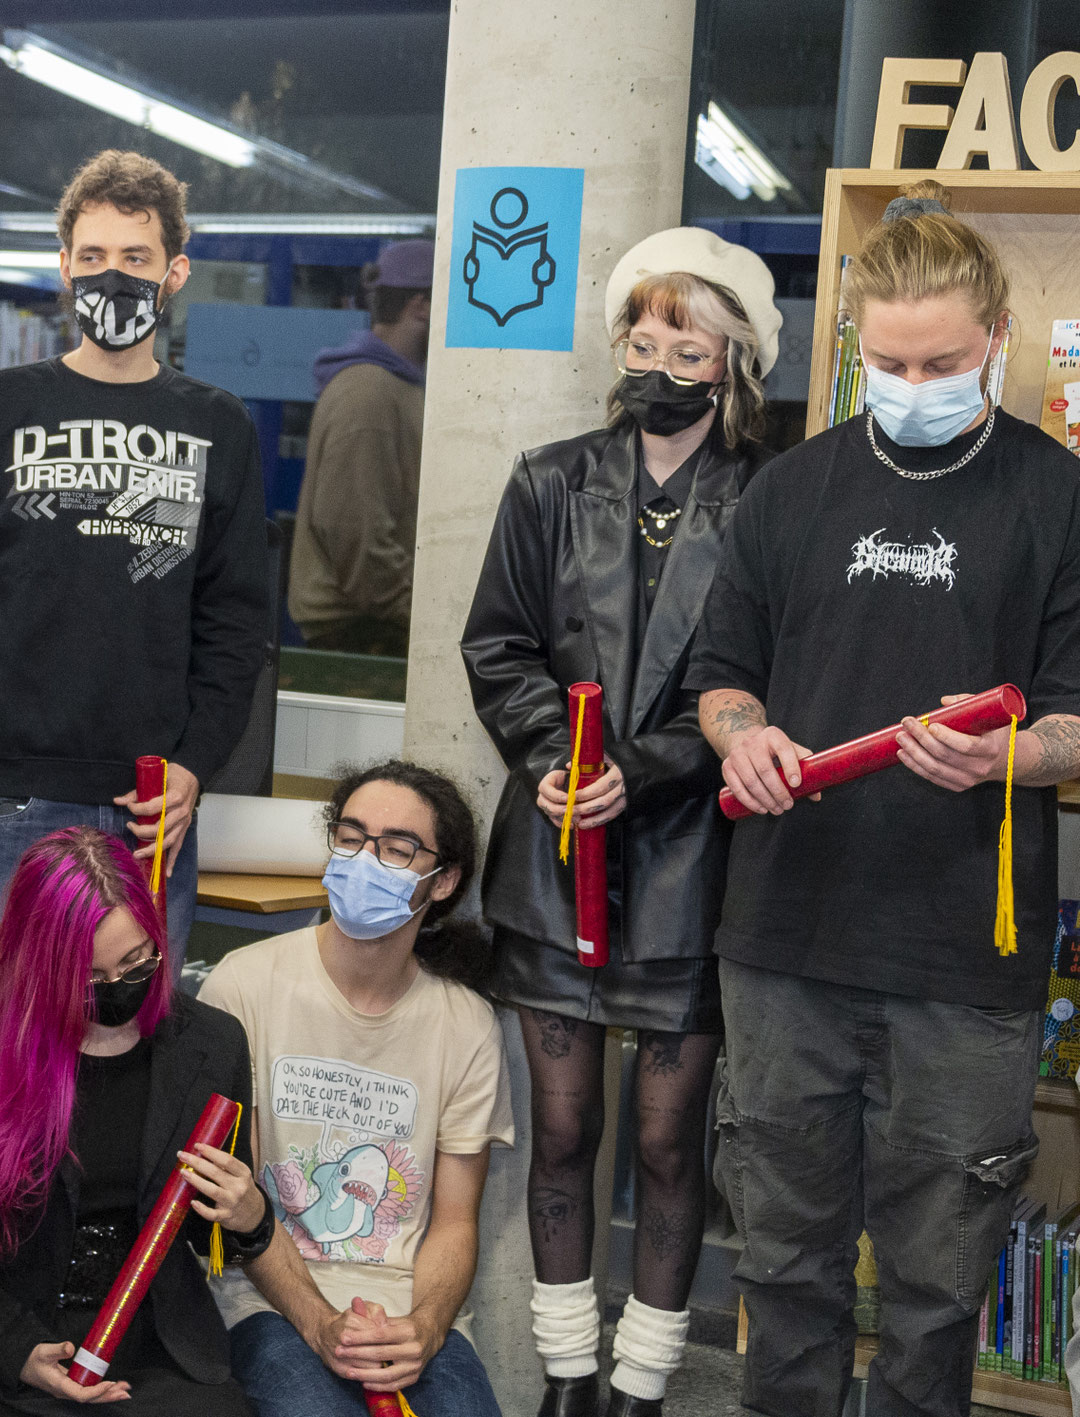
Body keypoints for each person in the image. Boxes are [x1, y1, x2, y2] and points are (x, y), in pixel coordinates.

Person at [688, 179, 1080, 1417]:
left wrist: (1005, 757)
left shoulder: (1055, 496)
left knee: (932, 1287)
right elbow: (718, 675)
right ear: (854, 342)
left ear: (995, 344)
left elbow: (1073, 718)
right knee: (783, 1270)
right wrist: (739, 738)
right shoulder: (790, 489)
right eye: (889, 358)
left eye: (943, 360)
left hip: (964, 964)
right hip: (782, 946)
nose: (913, 381)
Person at [461, 228, 780, 1417]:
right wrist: (554, 757)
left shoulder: (764, 497)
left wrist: (632, 771)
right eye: (638, 339)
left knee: (662, 1144)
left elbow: (758, 679)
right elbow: (493, 642)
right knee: (557, 1133)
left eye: (682, 344)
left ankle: (642, 1387)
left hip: (692, 863)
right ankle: (563, 1378)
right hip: (552, 858)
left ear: (730, 359)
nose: (653, 362)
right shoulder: (548, 478)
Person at [0, 149, 270, 1015]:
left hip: (151, 803)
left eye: (138, 260)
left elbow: (236, 620)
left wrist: (193, 765)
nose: (115, 277)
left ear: (175, 272)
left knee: (133, 1037)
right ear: (65, 265)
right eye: (96, 257)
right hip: (7, 794)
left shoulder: (217, 423)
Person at [0, 827, 275, 1414]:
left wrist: (250, 1217)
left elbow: (208, 1234)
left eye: (136, 961)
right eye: (90, 978)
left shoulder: (211, 1046)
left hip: (151, 1357)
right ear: (37, 965)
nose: (119, 989)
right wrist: (18, 1350)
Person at [200, 759, 513, 1417]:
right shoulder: (243, 983)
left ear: (444, 879)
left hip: (406, 1313)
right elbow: (239, 1200)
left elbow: (454, 1223)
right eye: (351, 836)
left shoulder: (466, 1023)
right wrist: (318, 1321)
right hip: (265, 1302)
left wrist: (425, 1327)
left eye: (397, 848)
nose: (366, 859)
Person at [288, 239, 434, 658]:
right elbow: (356, 533)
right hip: (362, 635)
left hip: (379, 626)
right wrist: (430, 618)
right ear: (421, 305)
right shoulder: (368, 393)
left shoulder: (399, 387)